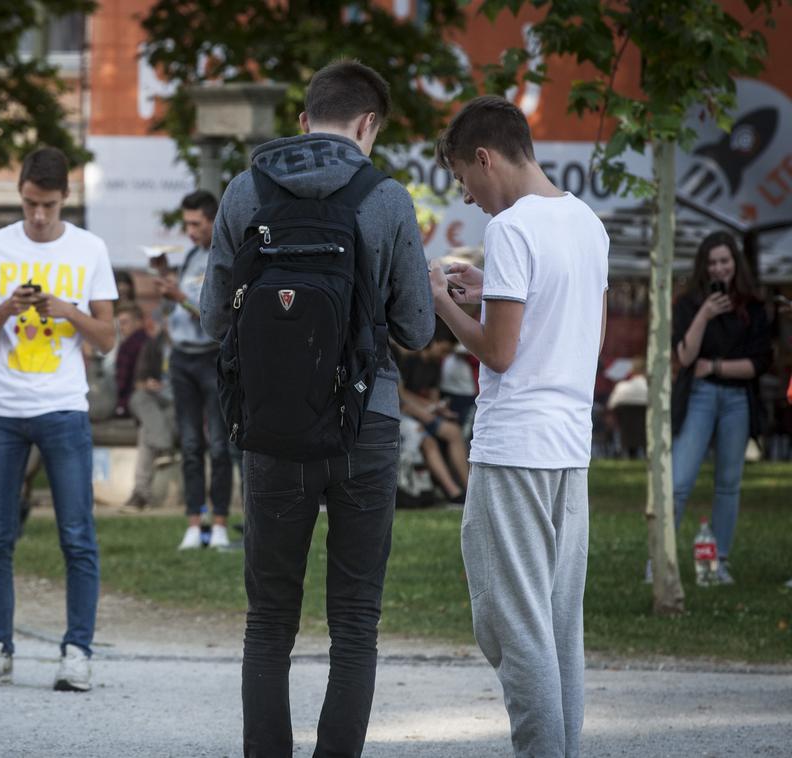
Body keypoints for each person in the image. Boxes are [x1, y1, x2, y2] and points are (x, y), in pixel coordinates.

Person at [201, 60, 434, 756]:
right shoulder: (388, 199)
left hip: (271, 428)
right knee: (355, 620)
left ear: (303, 120)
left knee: (269, 620)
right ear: (369, 126)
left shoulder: (245, 192)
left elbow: (215, 314)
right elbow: (418, 329)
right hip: (367, 423)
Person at [431, 94, 609, 757]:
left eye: (462, 178)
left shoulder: (511, 228)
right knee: (558, 624)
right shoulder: (586, 222)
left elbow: (500, 352)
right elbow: (571, 332)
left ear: (485, 157)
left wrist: (439, 304)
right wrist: (486, 290)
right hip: (570, 445)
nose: (468, 197)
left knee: (512, 623)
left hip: (514, 447)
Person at [0, 147, 117, 692]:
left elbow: (108, 336)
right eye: (28, 204)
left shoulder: (89, 248)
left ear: (65, 198)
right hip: (2, 409)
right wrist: (6, 308)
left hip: (64, 406)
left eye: (47, 205)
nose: (38, 216)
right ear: (19, 193)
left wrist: (67, 310)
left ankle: (77, 651)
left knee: (77, 535)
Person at [669, 231, 772, 585]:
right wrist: (704, 315)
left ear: (735, 263)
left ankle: (719, 563)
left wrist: (715, 367)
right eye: (712, 262)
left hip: (736, 400)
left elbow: (758, 363)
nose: (719, 268)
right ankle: (662, 561)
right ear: (703, 266)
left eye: (724, 261)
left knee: (728, 483)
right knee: (679, 481)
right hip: (698, 395)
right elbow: (684, 357)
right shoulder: (689, 304)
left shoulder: (753, 306)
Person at [158, 190, 233, 550]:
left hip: (211, 357)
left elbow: (216, 312)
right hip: (183, 359)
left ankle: (218, 523)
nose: (189, 231)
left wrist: (179, 298)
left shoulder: (224, 256)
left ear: (212, 220)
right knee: (190, 444)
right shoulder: (189, 257)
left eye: (195, 224)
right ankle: (193, 522)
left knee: (219, 445)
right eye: (186, 224)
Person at [397, 338, 470, 504]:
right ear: (434, 343)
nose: (444, 356)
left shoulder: (435, 366)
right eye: (443, 351)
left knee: (454, 432)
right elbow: (402, 396)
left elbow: (434, 397)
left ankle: (468, 488)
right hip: (406, 414)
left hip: (423, 413)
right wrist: (427, 409)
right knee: (429, 442)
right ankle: (453, 491)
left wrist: (439, 409)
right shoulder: (410, 361)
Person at [122, 321, 176, 511]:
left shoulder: (191, 346)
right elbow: (138, 383)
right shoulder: (154, 345)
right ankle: (164, 449)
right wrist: (148, 384)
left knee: (146, 432)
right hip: (154, 402)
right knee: (139, 398)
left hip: (180, 405)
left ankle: (140, 494)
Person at [113, 301, 148, 418]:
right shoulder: (149, 341)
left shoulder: (130, 345)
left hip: (131, 403)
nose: (121, 328)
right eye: (119, 324)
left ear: (138, 322)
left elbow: (122, 382)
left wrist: (119, 405)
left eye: (124, 323)